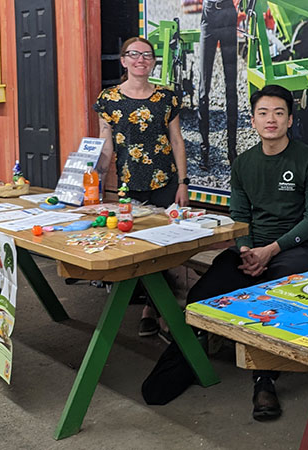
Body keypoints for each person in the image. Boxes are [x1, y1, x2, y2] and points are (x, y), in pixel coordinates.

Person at [185, 84, 308, 421]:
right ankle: (190, 362)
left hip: (294, 249)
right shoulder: (244, 163)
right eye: (263, 113)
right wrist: (246, 249)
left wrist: (271, 251)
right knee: (202, 292)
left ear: (290, 119)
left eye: (279, 113)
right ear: (253, 120)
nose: (271, 120)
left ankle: (264, 379)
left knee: (272, 299)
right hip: (252, 249)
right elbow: (240, 216)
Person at [94, 37, 190, 337]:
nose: (140, 59)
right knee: (141, 249)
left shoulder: (167, 98)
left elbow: (176, 141)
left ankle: (158, 311)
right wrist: (93, 182)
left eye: (147, 55)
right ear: (123, 61)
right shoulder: (108, 100)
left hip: (165, 184)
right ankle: (155, 307)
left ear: (153, 62)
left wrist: (184, 183)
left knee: (166, 246)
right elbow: (106, 147)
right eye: (133, 54)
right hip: (129, 187)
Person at [198, 0, 239, 168]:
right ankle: (204, 150)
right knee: (203, 89)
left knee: (231, 87)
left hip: (228, 15)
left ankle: (232, 150)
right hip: (209, 15)